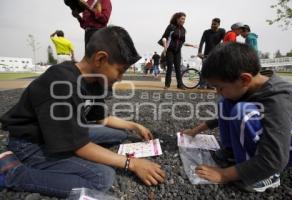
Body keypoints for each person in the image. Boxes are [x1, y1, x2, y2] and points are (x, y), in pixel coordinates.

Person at [0, 26, 165, 198]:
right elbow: (80, 147)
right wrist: (131, 163)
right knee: (102, 177)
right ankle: (11, 174)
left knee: (118, 134)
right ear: (100, 59)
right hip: (31, 143)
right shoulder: (62, 83)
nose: (120, 78)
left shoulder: (95, 81)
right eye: (120, 71)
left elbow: (103, 119)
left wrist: (134, 126)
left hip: (60, 131)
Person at [183, 42, 292, 192]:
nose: (217, 92)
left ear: (244, 79)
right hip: (282, 135)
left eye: (220, 87)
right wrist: (195, 131)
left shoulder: (279, 98)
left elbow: (275, 158)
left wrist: (224, 175)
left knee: (243, 111)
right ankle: (233, 154)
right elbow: (223, 115)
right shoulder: (249, 86)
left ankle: (266, 176)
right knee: (226, 103)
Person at [160, 12, 197, 90]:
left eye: (184, 19)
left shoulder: (183, 30)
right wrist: (165, 47)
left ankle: (180, 85)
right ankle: (167, 85)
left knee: (178, 68)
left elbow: (183, 42)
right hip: (169, 50)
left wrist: (192, 45)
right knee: (169, 67)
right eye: (182, 19)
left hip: (178, 51)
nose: (183, 20)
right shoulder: (171, 27)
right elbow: (164, 38)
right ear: (177, 19)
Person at [197, 18, 225, 89]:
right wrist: (199, 52)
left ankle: (210, 85)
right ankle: (202, 85)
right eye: (212, 24)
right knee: (204, 69)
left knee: (213, 71)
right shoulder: (206, 32)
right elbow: (201, 42)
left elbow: (225, 41)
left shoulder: (222, 31)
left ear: (218, 24)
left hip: (216, 54)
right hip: (206, 54)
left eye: (214, 24)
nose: (212, 25)